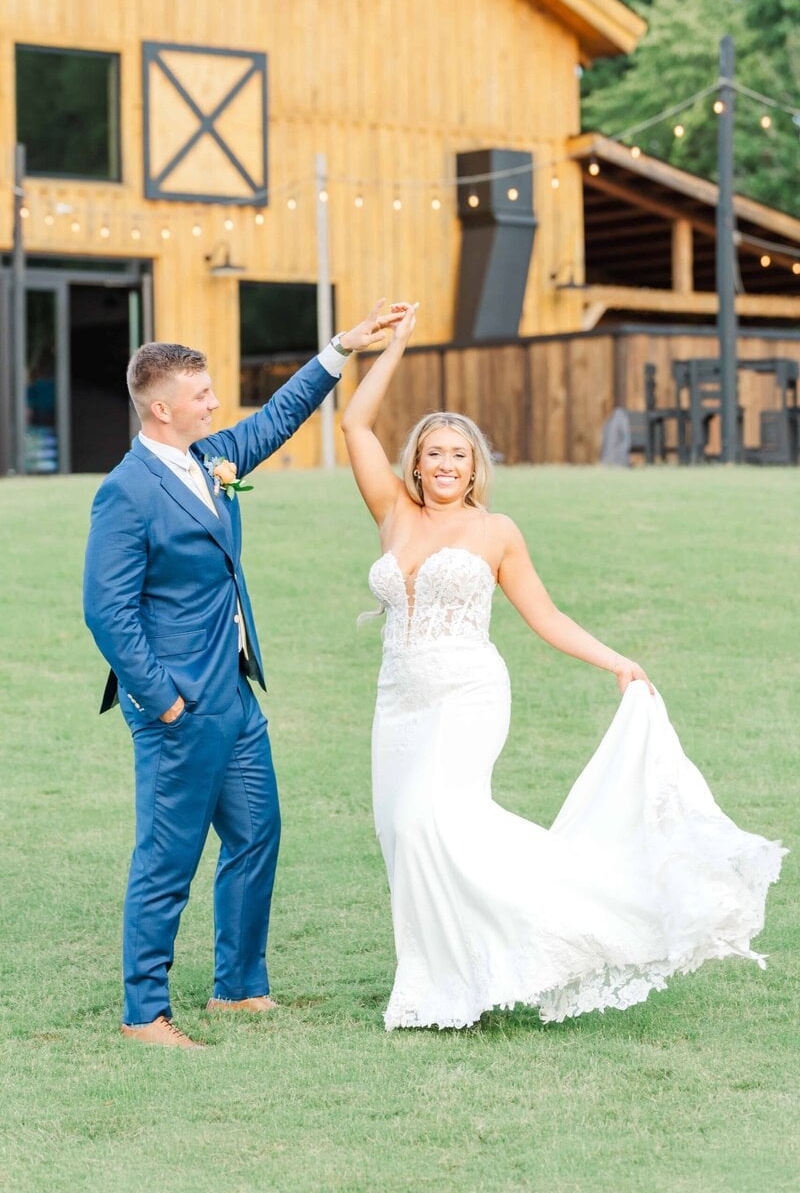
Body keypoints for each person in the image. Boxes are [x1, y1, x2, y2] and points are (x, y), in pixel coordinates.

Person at [341, 303, 786, 1031]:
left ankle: (595, 917)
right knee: (401, 837)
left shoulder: (495, 531)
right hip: (398, 703)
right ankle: (440, 985)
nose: (446, 464)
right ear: (415, 462)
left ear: (474, 466)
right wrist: (390, 349)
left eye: (459, 454)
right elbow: (355, 426)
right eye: (434, 452)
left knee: (429, 820)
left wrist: (618, 662)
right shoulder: (393, 512)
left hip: (466, 697)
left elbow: (543, 617)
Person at [84, 299, 404, 1048]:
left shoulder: (208, 458)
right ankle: (144, 1014)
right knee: (167, 857)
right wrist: (162, 700)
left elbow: (278, 417)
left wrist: (341, 348)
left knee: (258, 832)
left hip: (232, 689)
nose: (216, 404)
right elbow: (107, 610)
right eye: (201, 396)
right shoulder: (125, 491)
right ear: (162, 409)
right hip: (179, 702)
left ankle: (238, 988)